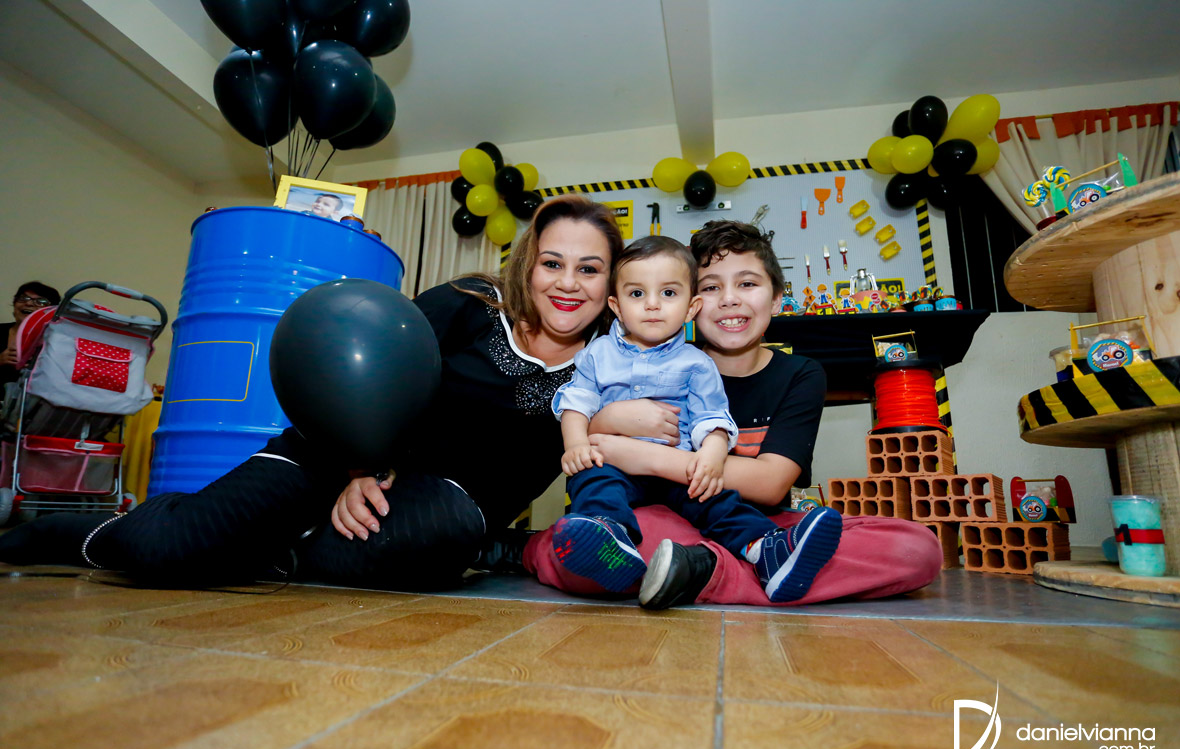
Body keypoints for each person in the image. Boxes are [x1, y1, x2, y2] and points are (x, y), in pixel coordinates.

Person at [0, 196, 624, 592]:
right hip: (333, 454)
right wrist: (362, 466)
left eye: (589, 269)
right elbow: (370, 374)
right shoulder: (469, 305)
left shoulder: (610, 372)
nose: (568, 284)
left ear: (612, 287)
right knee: (170, 552)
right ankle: (72, 533)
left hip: (427, 513)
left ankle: (269, 555)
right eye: (552, 263)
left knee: (447, 532)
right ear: (528, 265)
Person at [509, 220, 943, 608]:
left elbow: (770, 485)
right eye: (712, 287)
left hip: (749, 518)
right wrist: (609, 427)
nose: (730, 300)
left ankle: (696, 570)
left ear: (777, 298)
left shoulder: (799, 373)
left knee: (915, 547)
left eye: (747, 284)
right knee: (623, 533)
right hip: (657, 515)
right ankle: (731, 569)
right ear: (696, 303)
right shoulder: (644, 362)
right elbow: (586, 428)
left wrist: (645, 456)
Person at [548, 236, 842, 603]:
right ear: (617, 306)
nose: (652, 304)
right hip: (624, 486)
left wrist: (713, 452)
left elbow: (712, 418)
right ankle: (613, 538)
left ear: (690, 306)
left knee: (712, 497)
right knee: (596, 483)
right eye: (637, 294)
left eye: (668, 293)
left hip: (682, 481)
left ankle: (762, 550)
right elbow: (578, 402)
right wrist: (583, 439)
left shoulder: (699, 365)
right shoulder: (599, 352)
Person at [2, 281, 61, 386]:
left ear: (51, 311)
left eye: (41, 301)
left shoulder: (56, 340)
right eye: (23, 298)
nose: (28, 303)